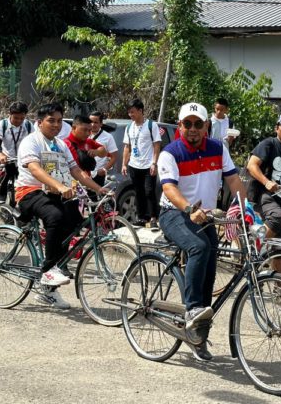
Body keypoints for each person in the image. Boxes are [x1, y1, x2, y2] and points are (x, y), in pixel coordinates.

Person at [157, 102, 246, 361]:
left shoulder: (218, 149)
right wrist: (188, 208)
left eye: (198, 124)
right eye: (188, 124)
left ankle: (198, 335)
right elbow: (169, 189)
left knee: (210, 263)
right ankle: (192, 309)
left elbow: (234, 181)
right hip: (175, 213)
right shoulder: (170, 153)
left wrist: (244, 209)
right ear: (180, 125)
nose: (193, 129)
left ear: (207, 126)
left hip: (204, 215)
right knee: (199, 247)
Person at [15, 103, 109, 309]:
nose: (56, 125)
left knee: (76, 219)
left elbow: (76, 170)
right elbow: (35, 169)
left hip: (56, 192)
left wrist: (98, 189)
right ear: (39, 123)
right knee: (55, 216)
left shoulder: (60, 144)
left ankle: (49, 287)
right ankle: (49, 270)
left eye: (59, 121)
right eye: (51, 120)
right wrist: (58, 185)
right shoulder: (30, 142)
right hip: (30, 192)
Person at [246, 113, 281, 239]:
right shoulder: (269, 144)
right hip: (266, 196)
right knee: (278, 216)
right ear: (277, 128)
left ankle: (275, 255)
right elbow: (252, 165)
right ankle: (254, 248)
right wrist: (266, 182)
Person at [121, 99, 161, 228]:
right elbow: (127, 147)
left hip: (148, 165)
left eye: (132, 112)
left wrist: (154, 163)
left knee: (149, 191)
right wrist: (124, 164)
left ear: (140, 111)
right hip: (134, 165)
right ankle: (142, 217)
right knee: (138, 192)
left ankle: (153, 217)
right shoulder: (129, 127)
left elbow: (156, 145)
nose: (130, 115)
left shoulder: (151, 125)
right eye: (129, 112)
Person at [0, 101, 34, 206]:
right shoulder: (2, 124)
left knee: (24, 182)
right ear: (9, 114)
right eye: (16, 118)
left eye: (22, 118)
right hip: (7, 158)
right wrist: (0, 154)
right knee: (4, 181)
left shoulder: (28, 125)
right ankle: (0, 205)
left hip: (22, 159)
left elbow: (33, 141)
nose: (19, 121)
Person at [88, 111, 118, 187]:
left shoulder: (108, 137)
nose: (92, 124)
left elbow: (114, 157)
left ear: (101, 124)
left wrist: (104, 170)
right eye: (91, 122)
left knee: (97, 197)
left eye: (96, 122)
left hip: (98, 174)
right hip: (84, 173)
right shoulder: (84, 134)